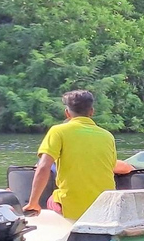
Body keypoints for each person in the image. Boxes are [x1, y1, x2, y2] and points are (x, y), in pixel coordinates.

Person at [24, 90, 133, 219]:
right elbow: (112, 166)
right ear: (92, 112)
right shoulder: (108, 136)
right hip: (105, 207)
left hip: (72, 209)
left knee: (52, 198)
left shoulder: (58, 131)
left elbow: (43, 167)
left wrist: (33, 203)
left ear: (67, 113)